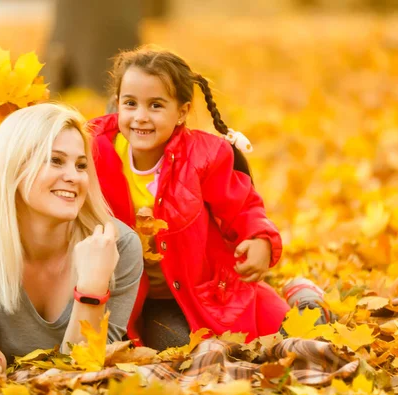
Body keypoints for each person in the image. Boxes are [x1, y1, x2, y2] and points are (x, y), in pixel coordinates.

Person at [89, 45, 325, 350]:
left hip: (210, 291)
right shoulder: (94, 151)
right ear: (118, 104)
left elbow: (241, 207)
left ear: (182, 112)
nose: (140, 117)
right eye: (130, 103)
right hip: (141, 298)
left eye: (156, 105)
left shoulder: (204, 158)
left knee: (297, 337)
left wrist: (260, 239)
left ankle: (306, 298)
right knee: (180, 349)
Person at [0, 103, 143, 377]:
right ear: (15, 166)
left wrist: (92, 289)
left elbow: (84, 370)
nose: (73, 177)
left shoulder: (117, 245)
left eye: (81, 165)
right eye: (56, 160)